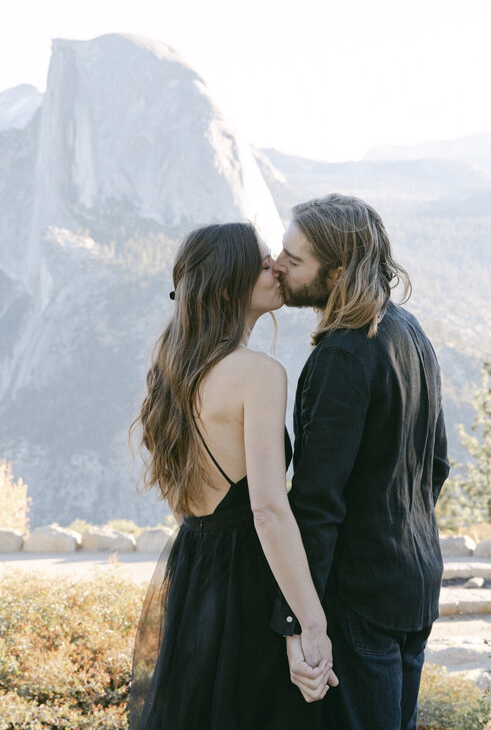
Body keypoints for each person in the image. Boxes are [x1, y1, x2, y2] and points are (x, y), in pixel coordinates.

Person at [128, 222, 335, 730]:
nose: (277, 269)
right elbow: (267, 509)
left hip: (195, 568)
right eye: (263, 264)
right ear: (228, 286)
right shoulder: (258, 373)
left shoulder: (173, 365)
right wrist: (311, 623)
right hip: (247, 578)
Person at [269, 194, 450, 730]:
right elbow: (436, 463)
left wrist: (297, 622)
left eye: (294, 260)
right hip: (415, 582)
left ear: (338, 272)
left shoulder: (343, 356)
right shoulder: (410, 331)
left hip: (360, 596)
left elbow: (316, 503)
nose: (277, 264)